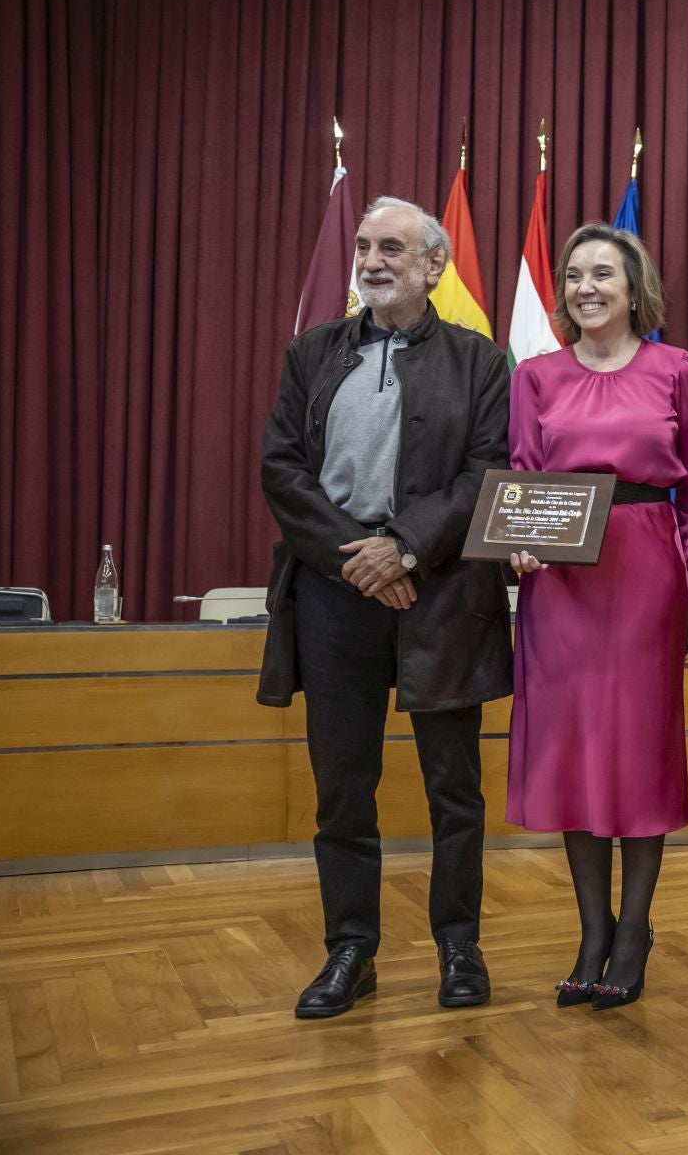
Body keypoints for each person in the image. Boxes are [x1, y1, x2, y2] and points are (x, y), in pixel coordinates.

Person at [259, 195, 512, 1019]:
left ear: (433, 265)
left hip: (439, 591)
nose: (372, 261)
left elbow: (485, 474)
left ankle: (458, 946)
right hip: (336, 594)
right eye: (365, 247)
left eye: (392, 248)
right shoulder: (312, 352)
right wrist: (359, 560)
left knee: (454, 788)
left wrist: (403, 547)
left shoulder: (481, 361)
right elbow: (283, 472)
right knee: (342, 787)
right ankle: (351, 950)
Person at [505, 223, 688, 1011]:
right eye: (575, 275)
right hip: (560, 584)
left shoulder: (676, 369)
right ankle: (592, 931)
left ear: (634, 289)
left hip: (647, 569)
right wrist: (518, 548)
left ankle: (634, 930)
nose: (587, 286)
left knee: (637, 749)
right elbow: (521, 478)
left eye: (604, 273)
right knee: (572, 751)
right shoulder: (536, 377)